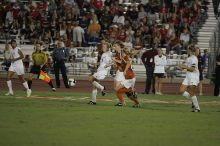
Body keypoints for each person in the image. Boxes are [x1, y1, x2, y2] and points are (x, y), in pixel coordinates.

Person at [112, 41, 140, 107]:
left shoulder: (122, 53)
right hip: (128, 77)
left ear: (119, 46)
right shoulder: (119, 54)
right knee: (124, 92)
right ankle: (137, 102)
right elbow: (122, 64)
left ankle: (130, 92)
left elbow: (128, 62)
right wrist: (114, 63)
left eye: (115, 46)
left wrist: (125, 70)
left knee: (117, 89)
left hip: (129, 76)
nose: (114, 47)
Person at [179, 46, 200, 112]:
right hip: (188, 76)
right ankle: (193, 101)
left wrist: (185, 66)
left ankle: (197, 108)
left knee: (191, 92)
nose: (187, 51)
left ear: (190, 51)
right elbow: (184, 67)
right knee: (181, 91)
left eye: (188, 49)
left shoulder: (194, 58)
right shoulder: (188, 58)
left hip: (193, 76)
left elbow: (192, 69)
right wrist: (181, 67)